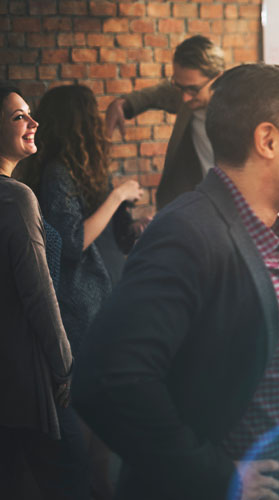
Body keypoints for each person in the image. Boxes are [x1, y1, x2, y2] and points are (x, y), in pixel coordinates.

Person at [73, 64, 279, 500]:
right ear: (267, 140)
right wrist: (213, 475)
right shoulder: (190, 231)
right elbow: (108, 379)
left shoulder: (267, 235)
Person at [16, 84, 145, 500]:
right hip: (75, 313)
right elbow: (73, 243)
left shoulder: (76, 168)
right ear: (81, 124)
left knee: (102, 423)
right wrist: (118, 195)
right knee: (92, 423)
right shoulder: (57, 173)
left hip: (93, 310)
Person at [0, 84, 80, 498]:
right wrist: (65, 365)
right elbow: (38, 293)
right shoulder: (15, 199)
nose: (33, 123)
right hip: (24, 374)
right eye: (18, 117)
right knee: (72, 481)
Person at [105, 35, 224, 210]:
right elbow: (158, 93)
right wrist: (123, 104)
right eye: (179, 86)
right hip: (188, 204)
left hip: (227, 208)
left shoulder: (239, 111)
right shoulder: (186, 94)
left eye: (193, 89)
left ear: (218, 78)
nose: (184, 97)